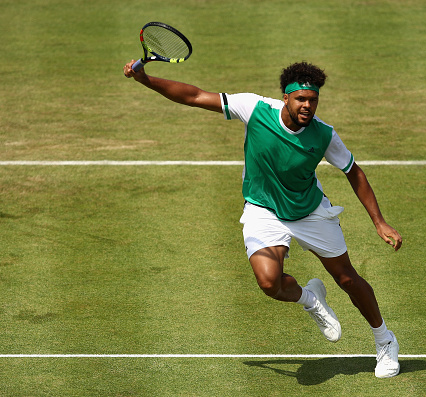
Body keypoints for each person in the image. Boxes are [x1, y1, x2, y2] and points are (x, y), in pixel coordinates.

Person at [123, 60, 403, 378]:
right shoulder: (254, 108)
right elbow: (195, 96)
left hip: (310, 211)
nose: (307, 106)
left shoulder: (324, 135)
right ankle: (310, 298)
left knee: (348, 279)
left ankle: (385, 342)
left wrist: (379, 221)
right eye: (301, 99)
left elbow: (353, 171)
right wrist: (146, 80)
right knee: (269, 282)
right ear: (285, 97)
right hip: (263, 209)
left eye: (313, 100)